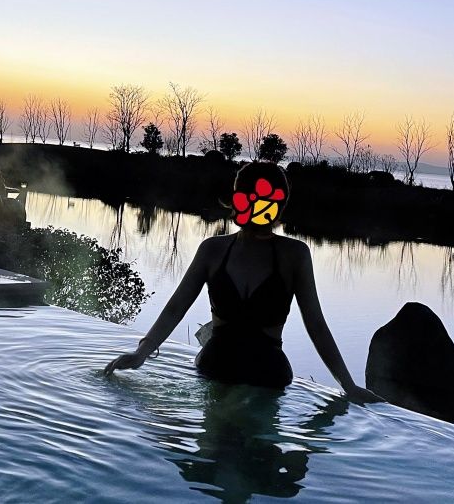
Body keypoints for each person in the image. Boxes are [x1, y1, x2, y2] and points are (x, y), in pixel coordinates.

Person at [104, 161, 381, 404]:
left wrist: (349, 386)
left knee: (219, 441)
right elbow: (176, 307)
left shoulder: (275, 254)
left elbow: (316, 325)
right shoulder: (276, 253)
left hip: (235, 371)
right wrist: (140, 353)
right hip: (251, 374)